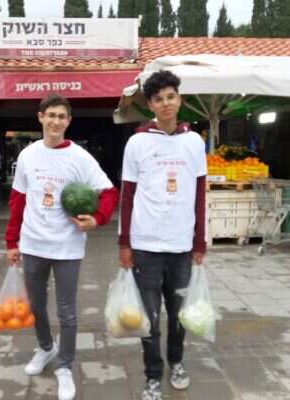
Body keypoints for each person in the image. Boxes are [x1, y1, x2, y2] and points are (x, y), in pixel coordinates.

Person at [4, 93, 119, 400]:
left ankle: (65, 366)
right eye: (51, 115)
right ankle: (45, 348)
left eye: (61, 116)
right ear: (41, 117)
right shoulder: (28, 155)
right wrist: (11, 241)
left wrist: (97, 219)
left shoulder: (80, 158)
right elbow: (17, 201)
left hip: (67, 246)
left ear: (68, 121)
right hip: (32, 243)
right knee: (36, 306)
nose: (55, 121)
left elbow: (109, 192)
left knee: (66, 311)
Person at [118, 71, 207, 400]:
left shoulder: (193, 142)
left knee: (180, 314)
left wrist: (199, 241)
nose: (166, 103)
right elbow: (127, 196)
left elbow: (200, 195)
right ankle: (153, 375)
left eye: (171, 97)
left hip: (181, 245)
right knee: (150, 318)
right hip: (145, 245)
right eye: (158, 99)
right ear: (151, 105)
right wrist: (124, 243)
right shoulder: (138, 142)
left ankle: (177, 363)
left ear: (179, 100)